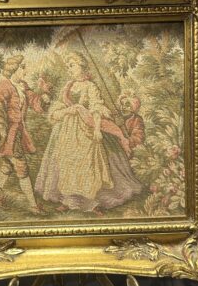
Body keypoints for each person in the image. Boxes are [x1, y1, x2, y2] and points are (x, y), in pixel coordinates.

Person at [35, 52, 142, 215]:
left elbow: (96, 108)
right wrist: (67, 111)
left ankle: (92, 203)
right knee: (67, 163)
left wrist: (97, 129)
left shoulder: (91, 86)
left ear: (82, 66)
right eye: (68, 66)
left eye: (72, 65)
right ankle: (69, 200)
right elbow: (58, 108)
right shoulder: (68, 86)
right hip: (67, 131)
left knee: (88, 165)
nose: (69, 69)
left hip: (87, 130)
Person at [0, 54, 50, 215]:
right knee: (22, 167)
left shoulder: (22, 86)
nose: (25, 71)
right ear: (14, 69)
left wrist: (43, 96)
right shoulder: (4, 86)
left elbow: (34, 101)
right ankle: (33, 206)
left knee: (7, 167)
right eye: (23, 67)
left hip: (18, 133)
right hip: (8, 134)